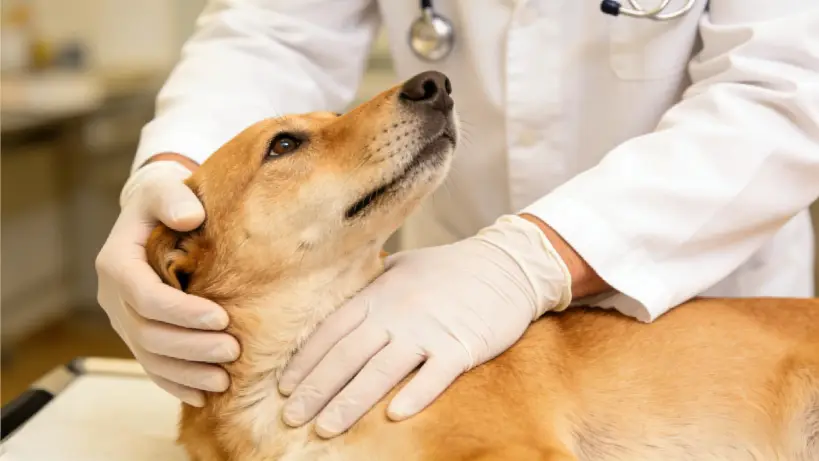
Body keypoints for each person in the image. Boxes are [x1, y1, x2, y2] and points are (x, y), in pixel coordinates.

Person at [96, 0, 819, 439]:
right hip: (424, 305)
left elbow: (785, 87)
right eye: (290, 145)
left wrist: (530, 260)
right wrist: (172, 186)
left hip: (709, 288)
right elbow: (274, 31)